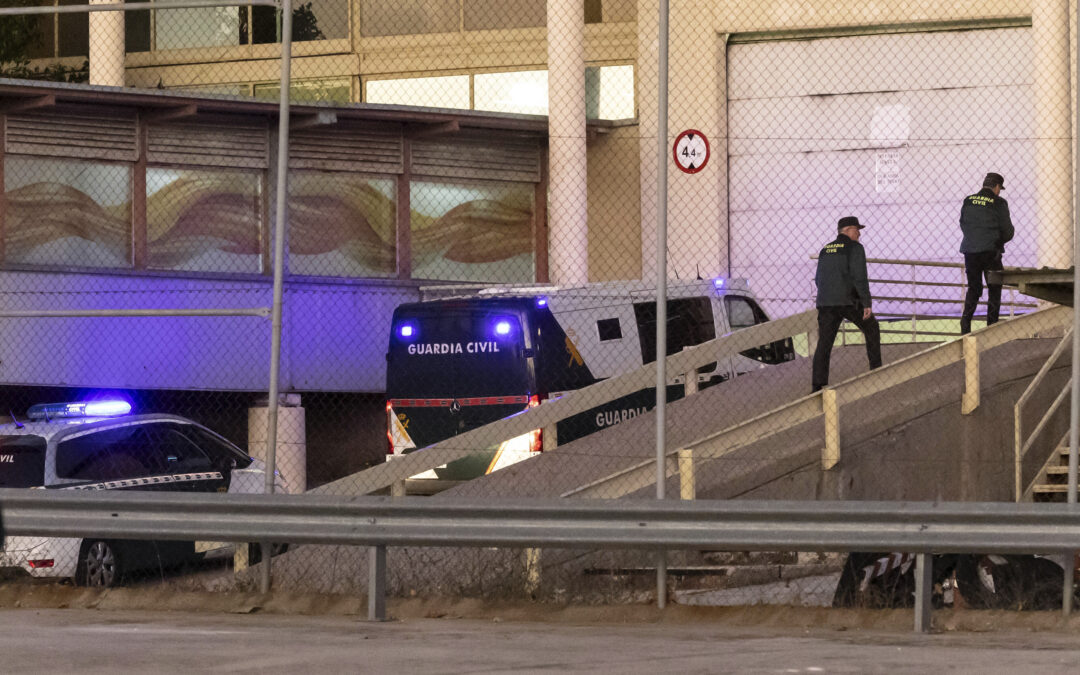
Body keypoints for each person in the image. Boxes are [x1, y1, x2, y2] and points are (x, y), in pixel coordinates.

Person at [811, 216, 882, 393]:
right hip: (848, 300)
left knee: (824, 344)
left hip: (826, 302)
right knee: (871, 327)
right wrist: (866, 302)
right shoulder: (855, 248)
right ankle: (877, 370)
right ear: (848, 230)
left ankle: (818, 385)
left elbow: (818, 279)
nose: (859, 233)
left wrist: (827, 295)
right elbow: (859, 276)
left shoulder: (825, 250)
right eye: (857, 229)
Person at [959, 172, 1014, 334]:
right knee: (995, 287)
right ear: (997, 187)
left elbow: (963, 223)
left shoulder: (968, 201)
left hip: (971, 251)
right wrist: (997, 241)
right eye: (999, 188)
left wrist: (974, 238)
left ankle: (965, 324)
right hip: (991, 252)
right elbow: (1008, 231)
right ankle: (991, 326)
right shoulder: (999, 202)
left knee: (974, 288)